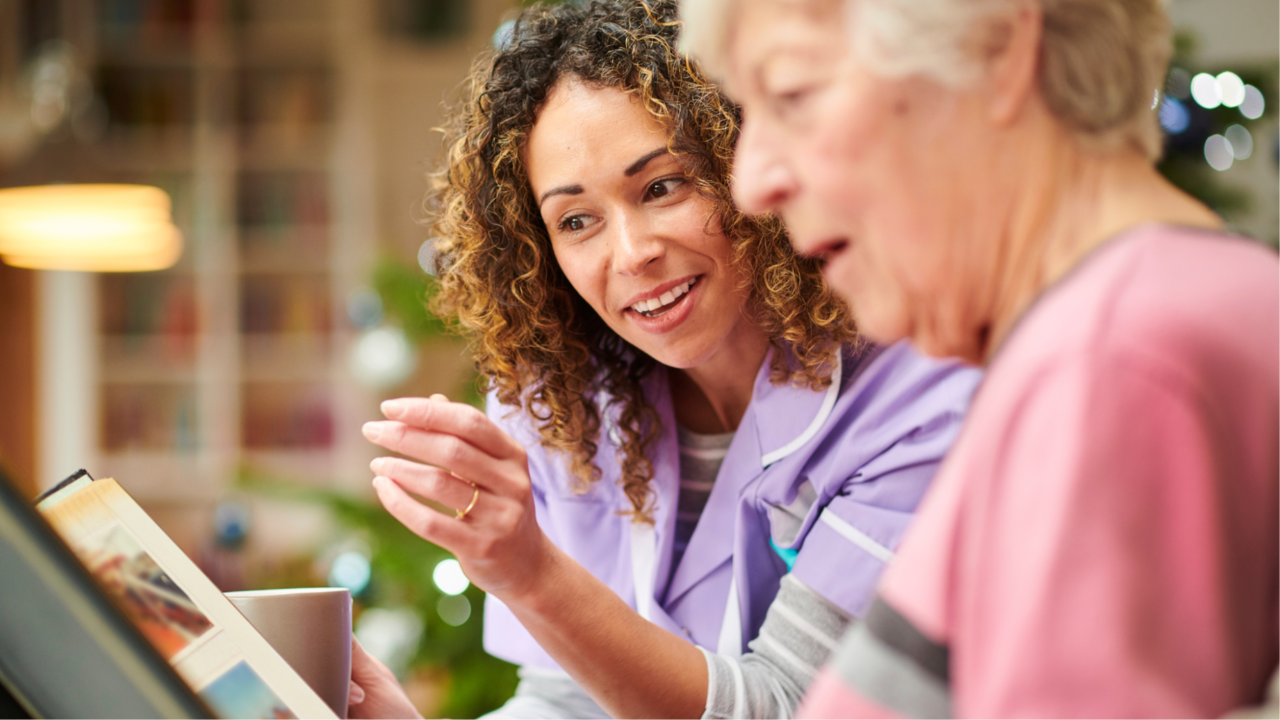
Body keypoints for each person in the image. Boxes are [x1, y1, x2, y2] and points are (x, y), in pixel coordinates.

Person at [349, 1, 980, 719]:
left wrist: (532, 574)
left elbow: (792, 706)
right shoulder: (564, 404)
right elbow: (571, 699)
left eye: (662, 186)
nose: (632, 253)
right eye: (576, 220)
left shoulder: (918, 395)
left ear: (747, 162)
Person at [679, 0, 1280, 717]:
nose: (752, 184)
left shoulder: (1111, 360)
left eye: (794, 95)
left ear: (997, 52)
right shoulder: (1138, 321)